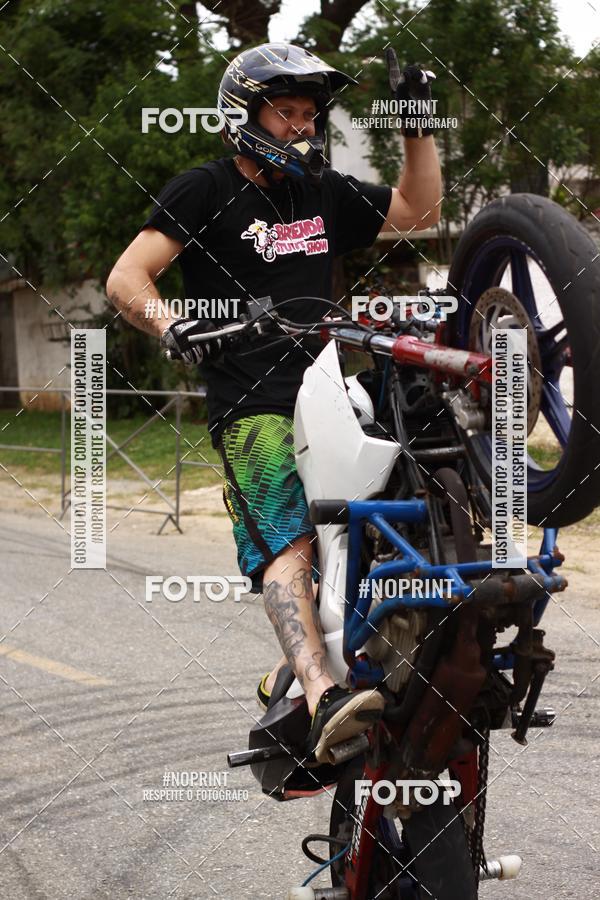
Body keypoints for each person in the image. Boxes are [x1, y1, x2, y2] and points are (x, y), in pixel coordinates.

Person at [106, 42, 442, 763]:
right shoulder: (203, 188)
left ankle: (326, 660)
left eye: (309, 114)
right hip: (251, 401)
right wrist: (172, 324)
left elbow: (418, 211)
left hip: (330, 394)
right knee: (287, 538)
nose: (302, 126)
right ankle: (322, 695)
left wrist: (416, 119)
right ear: (245, 116)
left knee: (398, 500)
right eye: (285, 112)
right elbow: (127, 276)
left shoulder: (321, 193)